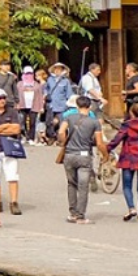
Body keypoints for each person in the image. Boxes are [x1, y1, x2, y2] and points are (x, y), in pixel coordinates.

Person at [59, 96, 103, 225]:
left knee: (71, 184)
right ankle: (80, 215)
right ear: (89, 107)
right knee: (83, 186)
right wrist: (105, 155)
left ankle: (72, 213)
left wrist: (64, 142)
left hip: (69, 154)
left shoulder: (69, 118)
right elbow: (99, 143)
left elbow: (61, 132)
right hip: (84, 155)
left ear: (77, 106)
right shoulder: (94, 122)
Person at [0, 89, 25, 215]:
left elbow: (16, 129)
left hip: (10, 148)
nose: (2, 100)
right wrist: (6, 127)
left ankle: (14, 202)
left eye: (3, 97)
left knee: (12, 176)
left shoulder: (12, 112)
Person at [107, 100, 138, 222]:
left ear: (132, 113)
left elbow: (117, 139)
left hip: (128, 158)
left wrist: (106, 149)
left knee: (127, 186)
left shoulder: (127, 125)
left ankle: (131, 208)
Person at [45, 64, 73, 143]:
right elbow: (46, 89)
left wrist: (68, 104)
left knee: (61, 122)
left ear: (62, 70)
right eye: (56, 69)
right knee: (49, 122)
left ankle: (60, 139)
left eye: (59, 69)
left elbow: (69, 94)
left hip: (62, 105)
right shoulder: (49, 79)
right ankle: (51, 137)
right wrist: (45, 95)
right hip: (51, 104)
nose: (57, 71)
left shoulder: (66, 81)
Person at [16, 67, 43, 141]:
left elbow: (40, 96)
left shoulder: (37, 84)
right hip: (22, 106)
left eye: (30, 73)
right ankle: (23, 136)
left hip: (34, 106)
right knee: (22, 121)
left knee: (32, 122)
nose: (29, 75)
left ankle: (31, 138)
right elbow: (16, 95)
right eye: (27, 73)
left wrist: (41, 107)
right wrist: (16, 104)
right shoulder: (19, 84)